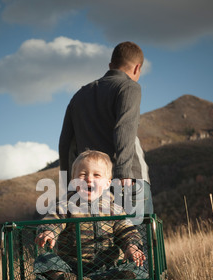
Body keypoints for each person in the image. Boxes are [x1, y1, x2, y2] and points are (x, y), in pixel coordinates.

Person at [34, 150, 147, 280]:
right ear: (73, 181)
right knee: (43, 260)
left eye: (96, 175)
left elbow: (126, 230)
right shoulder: (66, 205)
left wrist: (131, 247)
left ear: (107, 182)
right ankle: (62, 278)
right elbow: (54, 219)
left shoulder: (114, 209)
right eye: (82, 175)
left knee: (137, 271)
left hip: (105, 268)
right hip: (72, 267)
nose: (88, 179)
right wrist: (49, 231)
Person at [58, 40, 153, 214]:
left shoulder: (79, 95)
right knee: (136, 237)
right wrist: (123, 173)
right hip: (128, 180)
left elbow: (65, 144)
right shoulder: (128, 87)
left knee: (103, 239)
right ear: (137, 68)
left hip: (90, 187)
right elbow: (124, 128)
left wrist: (69, 184)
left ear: (111, 65)